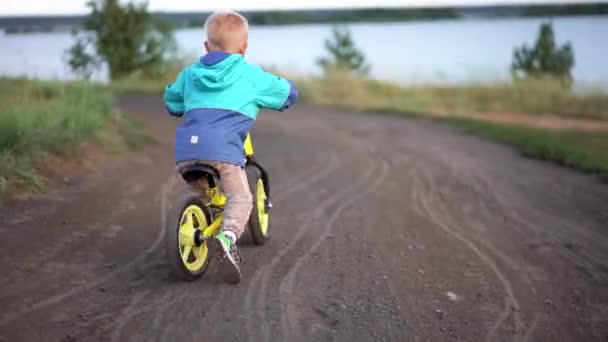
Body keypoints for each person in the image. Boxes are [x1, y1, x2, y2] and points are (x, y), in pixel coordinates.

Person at [164, 9, 298, 284]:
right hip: (223, 150)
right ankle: (228, 237)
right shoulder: (249, 75)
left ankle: (204, 223)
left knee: (205, 195)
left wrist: (183, 106)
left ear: (205, 46)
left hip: (188, 152)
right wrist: (288, 93)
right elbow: (285, 93)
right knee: (241, 198)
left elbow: (172, 101)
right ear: (245, 47)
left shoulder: (189, 75)